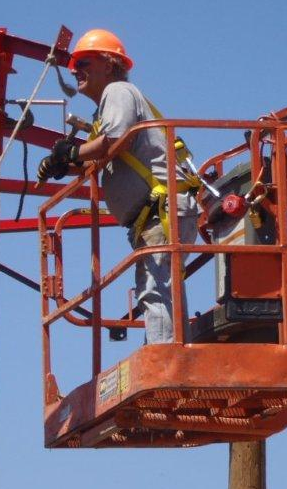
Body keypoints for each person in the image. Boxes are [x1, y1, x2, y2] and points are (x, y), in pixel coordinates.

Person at [37, 29, 199, 344]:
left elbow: (113, 142)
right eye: (74, 64)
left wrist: (72, 153)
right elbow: (101, 155)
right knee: (158, 286)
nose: (74, 70)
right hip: (155, 214)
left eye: (83, 62)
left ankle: (167, 360)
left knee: (155, 287)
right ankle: (171, 352)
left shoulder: (119, 91)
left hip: (161, 210)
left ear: (109, 65)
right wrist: (64, 163)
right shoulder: (104, 110)